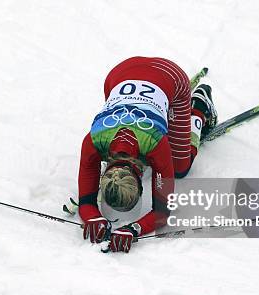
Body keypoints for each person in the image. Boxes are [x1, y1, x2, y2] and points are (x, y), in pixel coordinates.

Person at [77, 56, 218, 252]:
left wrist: (134, 228)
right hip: (119, 73)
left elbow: (162, 212)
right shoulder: (93, 142)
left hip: (169, 76)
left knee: (180, 167)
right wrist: (93, 216)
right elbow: (86, 203)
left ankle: (199, 106)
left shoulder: (156, 145)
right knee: (159, 146)